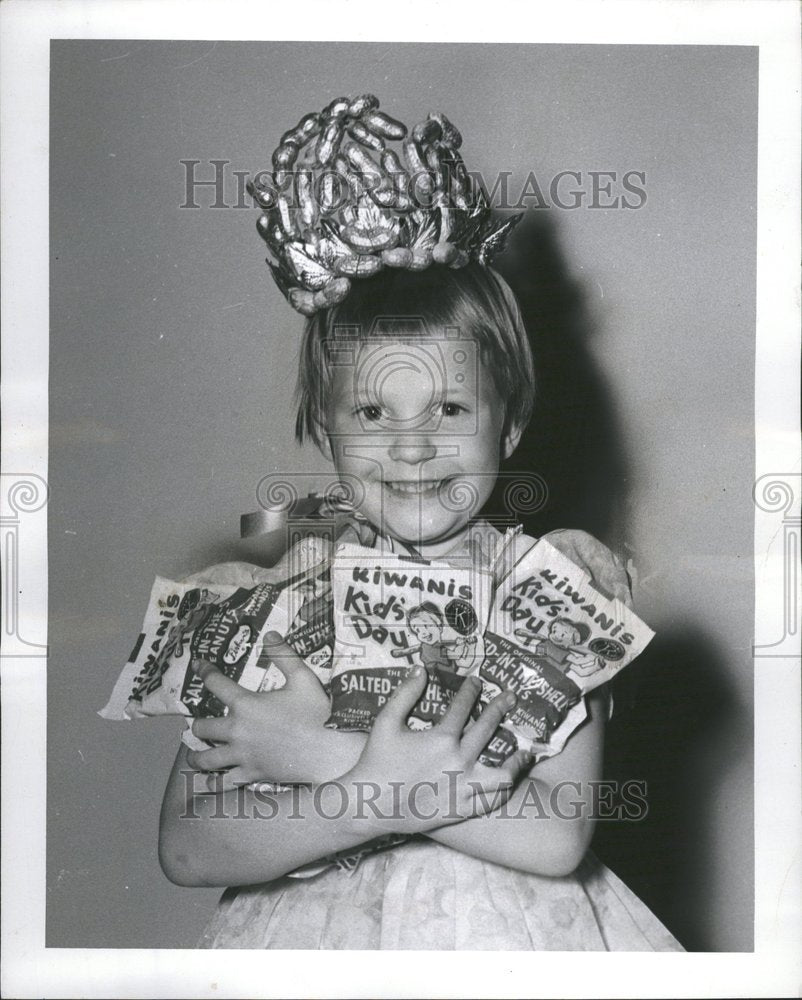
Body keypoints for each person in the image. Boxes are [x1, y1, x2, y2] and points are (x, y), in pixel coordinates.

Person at [157, 96, 684, 951]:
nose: (412, 446)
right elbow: (186, 842)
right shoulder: (278, 600)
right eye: (372, 410)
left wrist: (332, 761)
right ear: (325, 430)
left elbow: (555, 838)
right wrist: (378, 793)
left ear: (509, 424)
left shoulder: (550, 590)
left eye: (448, 406)